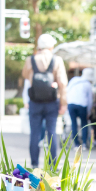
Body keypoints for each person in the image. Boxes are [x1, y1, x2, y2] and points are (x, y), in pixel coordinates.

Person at [22, 33, 69, 167]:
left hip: (35, 102)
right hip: (52, 102)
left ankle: (35, 164)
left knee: (35, 133)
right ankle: (52, 165)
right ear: (51, 46)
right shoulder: (57, 60)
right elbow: (62, 83)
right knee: (52, 132)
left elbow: (25, 75)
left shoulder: (30, 60)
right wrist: (63, 103)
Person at [66, 67, 95, 148]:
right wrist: (88, 112)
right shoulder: (88, 84)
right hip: (82, 105)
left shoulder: (74, 80)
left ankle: (76, 144)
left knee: (74, 124)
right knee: (84, 124)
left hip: (71, 104)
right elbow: (90, 100)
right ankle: (84, 143)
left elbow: (67, 92)